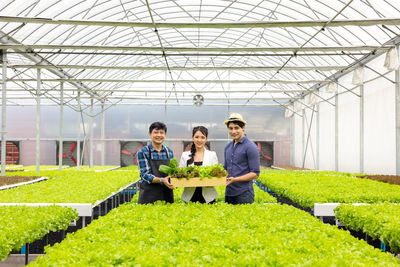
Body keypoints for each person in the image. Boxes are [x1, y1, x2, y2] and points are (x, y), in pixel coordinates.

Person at [224, 113, 260, 204]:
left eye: (236, 128)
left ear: (243, 127)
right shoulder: (228, 147)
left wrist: (235, 179)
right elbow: (225, 169)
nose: (233, 131)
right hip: (229, 193)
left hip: (244, 194)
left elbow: (255, 174)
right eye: (230, 128)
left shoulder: (250, 147)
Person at [136, 122, 174, 204]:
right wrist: (162, 180)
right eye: (156, 132)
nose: (159, 135)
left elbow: (172, 171)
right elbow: (145, 175)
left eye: (161, 132)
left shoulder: (169, 152)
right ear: (150, 134)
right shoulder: (143, 152)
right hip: (148, 195)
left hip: (167, 194)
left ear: (165, 134)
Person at [179, 126, 219, 204]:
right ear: (192, 138)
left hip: (208, 197)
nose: (199, 140)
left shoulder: (212, 155)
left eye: (202, 137)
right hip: (189, 196)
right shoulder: (185, 155)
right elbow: (180, 174)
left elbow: (216, 176)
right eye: (196, 137)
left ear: (206, 138)